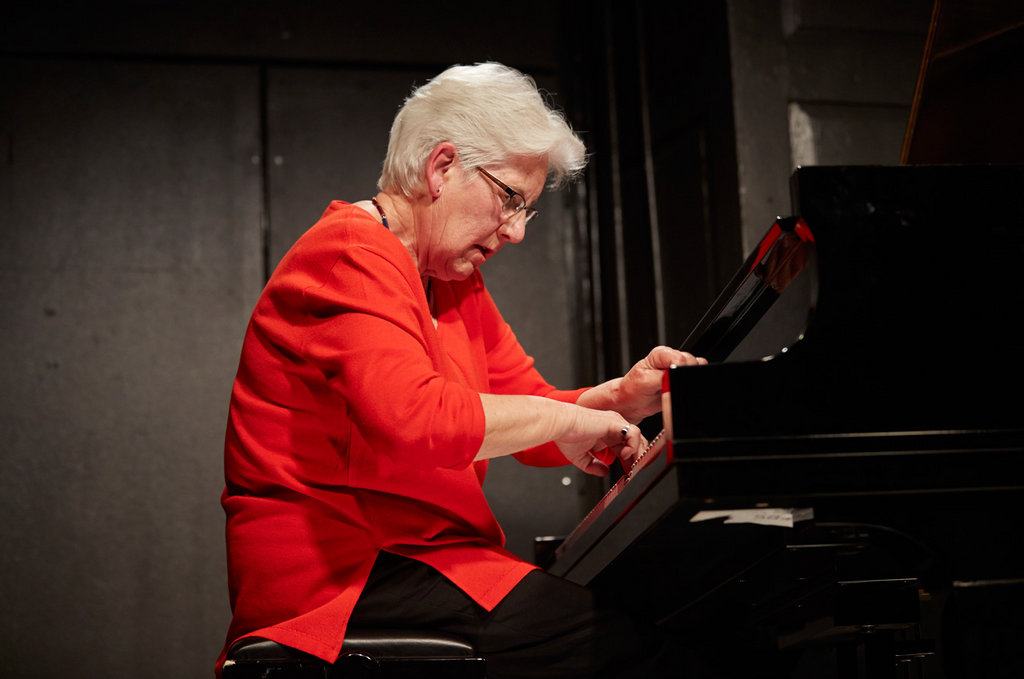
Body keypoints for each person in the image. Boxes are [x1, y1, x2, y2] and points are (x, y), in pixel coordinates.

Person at [217, 62, 706, 678]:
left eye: (528, 210)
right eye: (511, 199)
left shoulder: (450, 280)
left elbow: (523, 411)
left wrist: (619, 401)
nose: (517, 231)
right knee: (632, 644)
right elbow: (420, 421)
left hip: (416, 556)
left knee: (647, 626)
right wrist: (569, 420)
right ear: (442, 167)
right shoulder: (349, 253)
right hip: (342, 574)